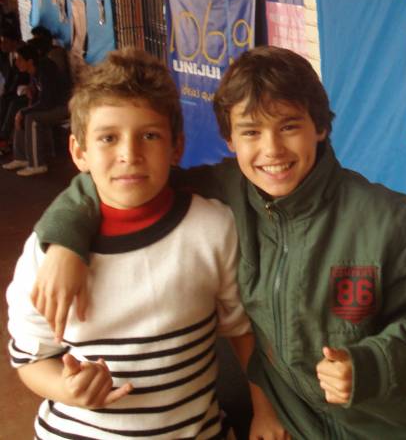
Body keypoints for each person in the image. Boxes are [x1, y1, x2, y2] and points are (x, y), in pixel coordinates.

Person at [31, 46, 406, 439]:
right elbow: (126, 180)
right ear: (230, 140)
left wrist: (373, 365)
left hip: (391, 426)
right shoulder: (222, 193)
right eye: (251, 132)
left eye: (289, 126)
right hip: (295, 425)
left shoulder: (392, 220)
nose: (272, 149)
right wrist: (66, 240)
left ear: (319, 127)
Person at [6, 48, 255, 438]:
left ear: (176, 147)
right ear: (79, 152)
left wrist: (264, 409)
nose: (129, 154)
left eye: (149, 135)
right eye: (108, 138)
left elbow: (241, 332)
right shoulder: (46, 252)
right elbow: (30, 359)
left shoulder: (213, 228)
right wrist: (67, 389)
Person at [2, 43, 71, 175]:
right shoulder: (33, 71)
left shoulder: (46, 69)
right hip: (51, 106)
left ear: (30, 61)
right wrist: (28, 99)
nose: (16, 63)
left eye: (20, 60)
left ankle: (37, 164)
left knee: (31, 118)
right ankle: (21, 158)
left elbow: (47, 102)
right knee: (22, 113)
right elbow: (39, 97)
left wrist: (23, 112)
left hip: (62, 107)